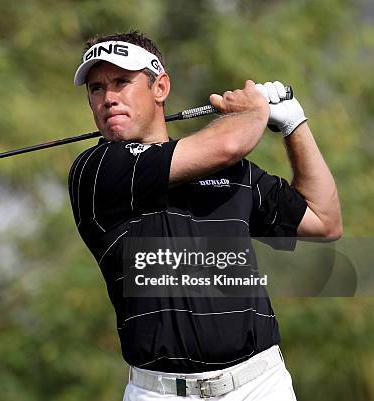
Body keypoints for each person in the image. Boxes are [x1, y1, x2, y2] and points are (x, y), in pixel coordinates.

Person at [68, 31, 342, 400]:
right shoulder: (97, 171)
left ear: (160, 87)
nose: (109, 98)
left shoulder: (234, 173)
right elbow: (228, 143)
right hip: (159, 391)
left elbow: (324, 220)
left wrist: (295, 125)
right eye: (97, 88)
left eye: (122, 82)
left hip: (258, 385)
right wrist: (254, 110)